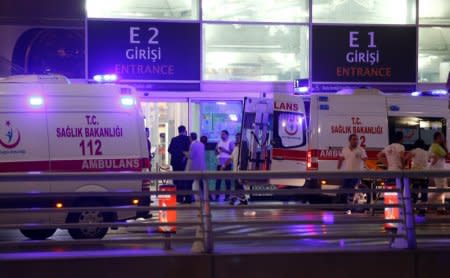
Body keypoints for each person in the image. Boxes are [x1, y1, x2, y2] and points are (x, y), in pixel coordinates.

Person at [337, 134, 368, 204]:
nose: (356, 141)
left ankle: (352, 205)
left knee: (352, 188)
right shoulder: (345, 149)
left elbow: (365, 158)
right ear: (349, 140)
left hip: (357, 174)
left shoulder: (361, 150)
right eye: (354, 139)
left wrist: (364, 160)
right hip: (347, 174)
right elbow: (341, 158)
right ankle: (344, 206)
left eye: (356, 139)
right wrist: (338, 167)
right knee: (344, 190)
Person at [223, 132, 249, 205]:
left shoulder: (244, 148)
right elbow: (231, 158)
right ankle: (242, 200)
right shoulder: (236, 147)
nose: (236, 139)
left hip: (240, 171)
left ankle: (234, 200)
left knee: (238, 186)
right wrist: (224, 165)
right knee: (238, 187)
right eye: (236, 137)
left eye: (238, 138)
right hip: (235, 171)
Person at [168, 125, 191, 203]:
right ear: (184, 130)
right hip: (184, 162)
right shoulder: (188, 139)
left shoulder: (174, 139)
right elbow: (189, 150)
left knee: (177, 180)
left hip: (175, 163)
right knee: (185, 180)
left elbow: (169, 150)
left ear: (178, 131)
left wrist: (176, 155)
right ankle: (187, 197)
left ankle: (179, 197)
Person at [406, 139, 429, 213]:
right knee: (424, 193)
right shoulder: (426, 152)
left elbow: (406, 158)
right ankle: (422, 210)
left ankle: (412, 208)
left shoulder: (414, 151)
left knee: (414, 192)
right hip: (424, 175)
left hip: (415, 175)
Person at [429, 131, 448, 214]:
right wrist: (445, 144)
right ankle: (427, 203)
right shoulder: (435, 146)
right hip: (439, 171)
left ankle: (441, 208)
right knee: (440, 189)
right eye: (441, 137)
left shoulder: (435, 146)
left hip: (440, 170)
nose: (443, 139)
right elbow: (446, 154)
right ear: (437, 138)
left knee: (441, 189)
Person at [186, 132, 206, 202]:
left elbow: (191, 156)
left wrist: (185, 153)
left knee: (189, 182)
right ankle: (203, 197)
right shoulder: (201, 144)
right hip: (202, 166)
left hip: (194, 166)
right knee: (201, 183)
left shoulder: (192, 145)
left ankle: (191, 197)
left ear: (190, 138)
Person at [214, 130, 233, 201]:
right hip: (220, 163)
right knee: (218, 180)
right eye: (221, 134)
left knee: (227, 181)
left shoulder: (230, 142)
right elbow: (216, 153)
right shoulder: (219, 142)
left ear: (227, 135)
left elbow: (232, 153)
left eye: (223, 134)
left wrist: (224, 150)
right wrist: (216, 150)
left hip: (227, 163)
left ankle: (227, 196)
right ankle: (216, 196)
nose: (222, 136)